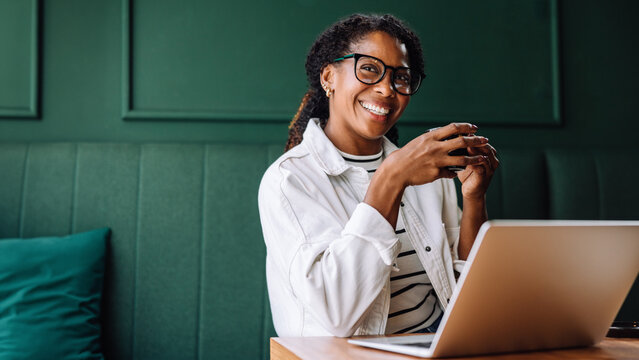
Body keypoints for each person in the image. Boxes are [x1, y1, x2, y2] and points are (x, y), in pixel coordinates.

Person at [258, 13, 499, 337]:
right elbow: (337, 314)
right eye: (369, 68)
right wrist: (391, 178)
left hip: (436, 345)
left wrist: (473, 199)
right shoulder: (289, 181)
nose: (388, 89)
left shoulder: (426, 169)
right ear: (328, 76)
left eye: (401, 77)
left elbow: (468, 290)